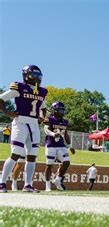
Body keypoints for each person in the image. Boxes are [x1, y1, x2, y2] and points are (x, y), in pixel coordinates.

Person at [0, 65, 48, 193]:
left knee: (32, 156)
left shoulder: (42, 91)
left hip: (34, 125)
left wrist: (42, 116)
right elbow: (1, 99)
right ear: (26, 75)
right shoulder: (19, 87)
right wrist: (7, 113)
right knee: (15, 154)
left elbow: (43, 107)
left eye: (39, 76)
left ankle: (28, 185)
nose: (37, 78)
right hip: (20, 122)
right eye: (34, 75)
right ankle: (2, 183)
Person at [43, 102, 75, 191]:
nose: (61, 111)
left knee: (66, 162)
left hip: (61, 145)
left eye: (62, 109)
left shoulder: (65, 121)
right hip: (51, 145)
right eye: (59, 109)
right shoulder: (49, 119)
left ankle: (58, 180)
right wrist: (53, 134)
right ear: (54, 110)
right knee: (49, 165)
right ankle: (47, 186)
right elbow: (46, 130)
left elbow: (66, 134)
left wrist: (70, 146)